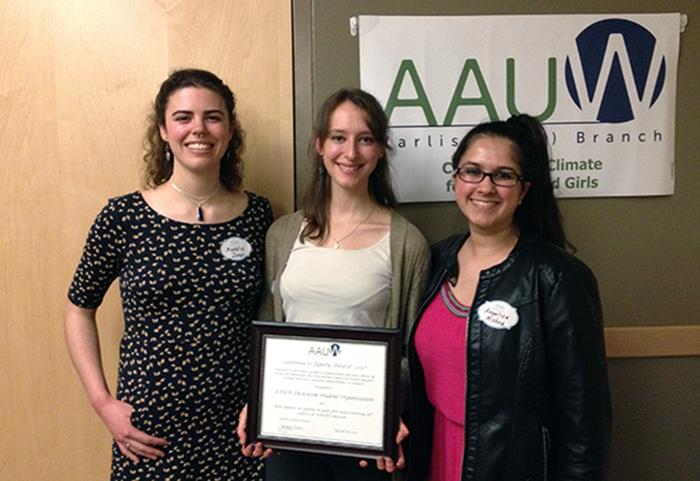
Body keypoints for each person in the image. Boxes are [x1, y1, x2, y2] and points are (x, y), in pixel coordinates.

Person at [64, 69, 272, 480]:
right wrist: (102, 402)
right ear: (162, 129)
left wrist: (268, 404)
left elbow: (275, 317)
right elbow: (77, 310)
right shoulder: (123, 217)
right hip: (147, 434)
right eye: (183, 117)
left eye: (213, 117)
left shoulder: (260, 217)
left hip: (240, 431)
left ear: (230, 130)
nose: (199, 129)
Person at [237, 88, 431, 480]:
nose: (351, 152)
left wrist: (392, 406)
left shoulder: (406, 242)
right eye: (339, 137)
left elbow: (412, 350)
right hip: (290, 429)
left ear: (380, 150)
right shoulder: (282, 234)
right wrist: (258, 403)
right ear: (319, 145)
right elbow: (269, 331)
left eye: (365, 139)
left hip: (364, 434)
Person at [405, 115, 611, 481]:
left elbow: (584, 420)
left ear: (523, 190)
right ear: (456, 179)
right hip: (434, 455)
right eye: (472, 171)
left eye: (503, 175)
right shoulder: (433, 260)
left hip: (508, 466)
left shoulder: (557, 278)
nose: (485, 186)